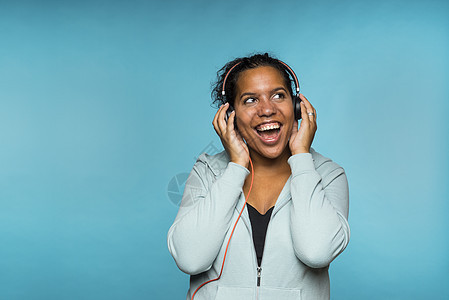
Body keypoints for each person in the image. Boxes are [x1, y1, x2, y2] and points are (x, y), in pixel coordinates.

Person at [167, 53, 350, 300]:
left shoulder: (327, 174)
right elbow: (190, 258)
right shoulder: (207, 172)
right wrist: (236, 167)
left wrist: (302, 158)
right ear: (230, 115)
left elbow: (316, 252)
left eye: (278, 95)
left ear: (297, 107)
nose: (267, 109)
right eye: (251, 99)